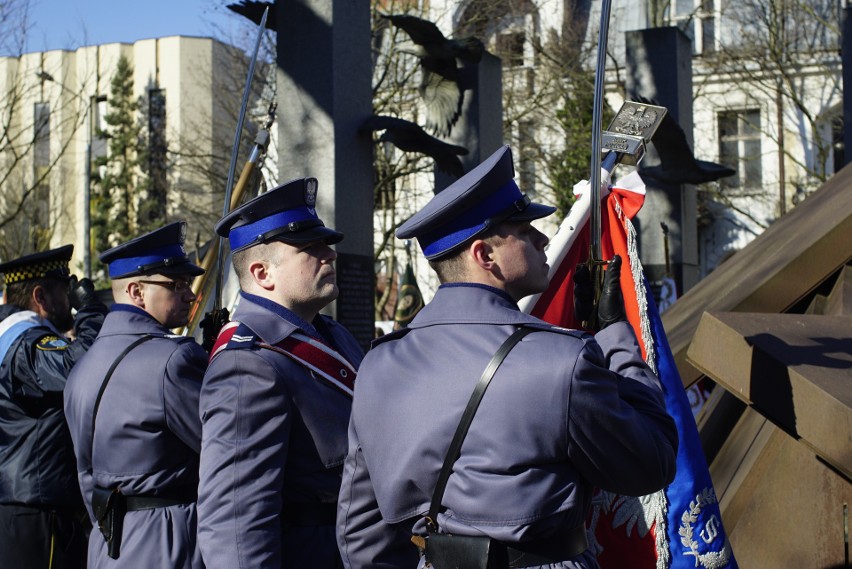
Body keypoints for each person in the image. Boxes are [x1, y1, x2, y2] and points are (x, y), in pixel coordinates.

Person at [336, 145, 679, 569]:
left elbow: (361, 525)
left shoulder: (377, 365)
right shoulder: (559, 361)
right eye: (524, 228)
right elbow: (652, 462)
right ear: (485, 255)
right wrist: (614, 336)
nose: (544, 238)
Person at [198, 177, 365, 569]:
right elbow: (235, 523)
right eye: (311, 248)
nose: (331, 254)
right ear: (262, 273)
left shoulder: (332, 334)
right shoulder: (247, 364)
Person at [63, 221, 208, 569]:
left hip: (108, 543)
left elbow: (86, 475)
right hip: (171, 542)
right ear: (137, 292)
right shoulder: (175, 360)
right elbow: (224, 449)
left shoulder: (81, 368)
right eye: (176, 285)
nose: (189, 294)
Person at [0, 244, 108, 569]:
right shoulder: (28, 343)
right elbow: (89, 365)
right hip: (37, 510)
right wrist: (90, 309)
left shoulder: (15, 339)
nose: (70, 302)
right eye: (65, 291)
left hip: (30, 504)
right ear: (40, 297)